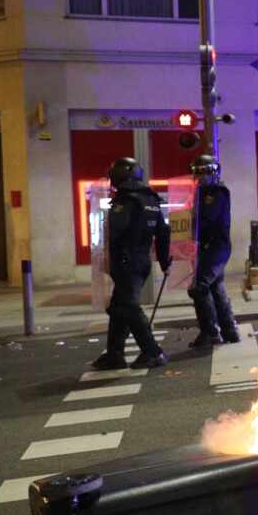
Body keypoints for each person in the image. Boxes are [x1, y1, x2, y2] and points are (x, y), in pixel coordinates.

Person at [93, 157, 170, 370]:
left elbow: (116, 232)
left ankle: (153, 351)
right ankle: (114, 355)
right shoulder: (151, 199)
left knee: (128, 306)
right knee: (119, 308)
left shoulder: (124, 200)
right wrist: (164, 262)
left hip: (127, 261)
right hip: (142, 260)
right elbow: (163, 233)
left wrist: (106, 258)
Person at [186, 154, 240, 349]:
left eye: (204, 172)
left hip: (216, 248)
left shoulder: (216, 193)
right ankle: (229, 330)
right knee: (216, 289)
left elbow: (206, 219)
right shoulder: (198, 194)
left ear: (213, 173)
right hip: (206, 248)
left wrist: (188, 223)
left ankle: (210, 332)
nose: (200, 177)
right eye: (196, 172)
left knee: (199, 287)